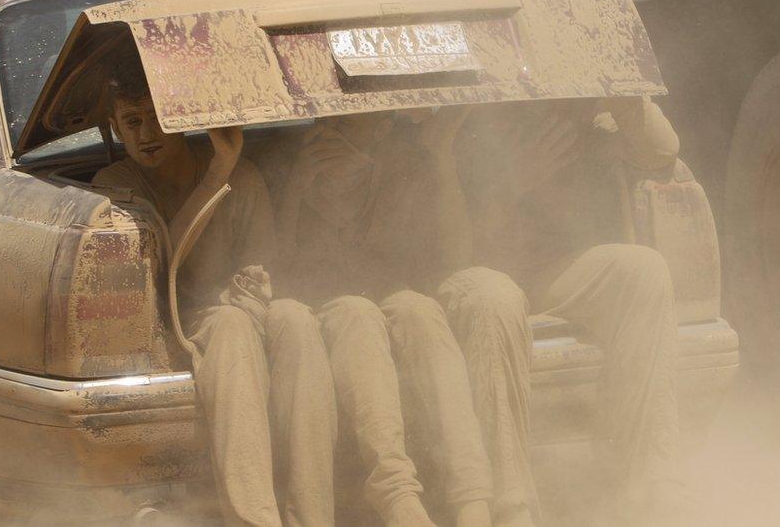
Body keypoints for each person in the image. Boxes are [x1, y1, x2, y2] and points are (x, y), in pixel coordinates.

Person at [93, 60, 337, 527]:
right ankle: (255, 518)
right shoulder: (117, 185)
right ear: (116, 128)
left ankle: (313, 517)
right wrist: (215, 175)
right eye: (132, 121)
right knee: (228, 326)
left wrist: (253, 285)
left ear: (182, 120)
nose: (147, 133)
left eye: (159, 117)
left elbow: (263, 263)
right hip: (176, 325)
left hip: (238, 316)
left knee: (296, 319)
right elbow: (162, 265)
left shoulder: (241, 178)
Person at [276, 109, 536, 527]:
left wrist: (373, 177)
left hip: (399, 299)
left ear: (381, 125)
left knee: (419, 311)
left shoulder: (404, 163)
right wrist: (299, 189)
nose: (327, 132)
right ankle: (400, 503)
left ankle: (475, 503)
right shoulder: (296, 167)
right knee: (357, 315)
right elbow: (279, 269)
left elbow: (436, 259)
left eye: (345, 123)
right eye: (323, 122)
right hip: (332, 310)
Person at [458, 96, 682, 522]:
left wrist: (621, 92)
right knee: (495, 296)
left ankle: (652, 483)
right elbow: (453, 239)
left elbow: (663, 149)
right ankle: (511, 502)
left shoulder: (584, 114)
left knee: (644, 269)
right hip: (478, 272)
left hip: (552, 273)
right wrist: (512, 183)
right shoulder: (464, 116)